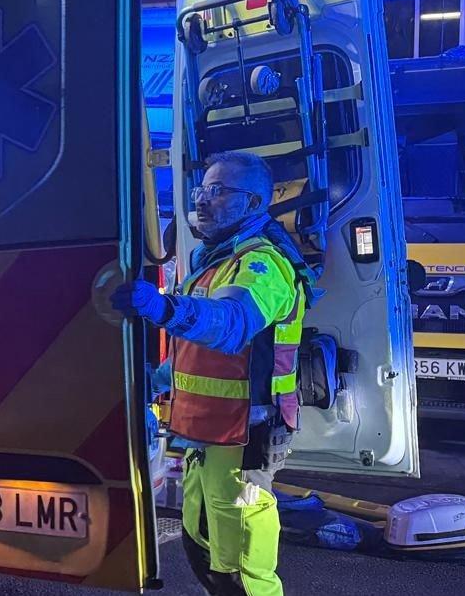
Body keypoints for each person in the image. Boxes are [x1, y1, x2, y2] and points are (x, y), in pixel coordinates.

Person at [111, 151, 315, 596]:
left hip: (246, 433)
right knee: (202, 541)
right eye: (202, 189)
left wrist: (164, 308)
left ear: (254, 203)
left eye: (219, 191)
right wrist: (156, 381)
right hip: (208, 432)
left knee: (243, 562)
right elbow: (196, 354)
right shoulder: (213, 259)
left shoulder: (266, 264)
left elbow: (230, 325)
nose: (202, 200)